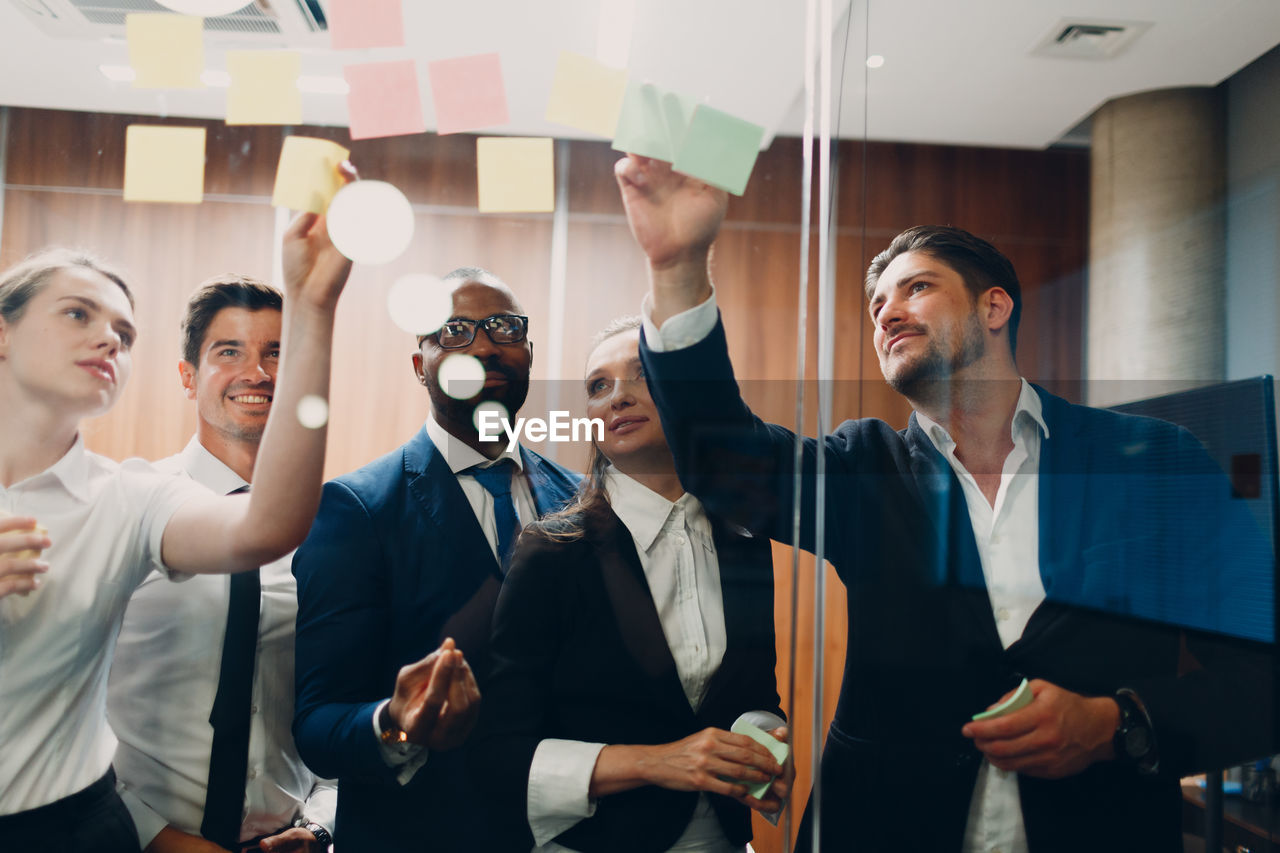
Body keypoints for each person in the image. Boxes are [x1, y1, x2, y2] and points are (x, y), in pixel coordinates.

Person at [613, 154, 1276, 852]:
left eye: (916, 288)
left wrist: (1117, 723)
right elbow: (722, 462)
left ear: (994, 306)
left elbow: (1263, 672)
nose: (887, 314)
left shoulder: (1156, 462)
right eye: (876, 308)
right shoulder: (861, 466)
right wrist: (679, 267)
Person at [0, 188, 354, 853]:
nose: (107, 336)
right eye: (78, 313)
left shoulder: (132, 496)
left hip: (78, 831)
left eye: (124, 332)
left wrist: (313, 306)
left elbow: (266, 527)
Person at [475, 316, 792, 853]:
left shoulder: (745, 539)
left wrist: (762, 743)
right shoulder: (551, 552)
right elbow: (500, 754)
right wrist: (657, 762)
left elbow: (756, 692)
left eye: (642, 375)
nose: (618, 396)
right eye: (599, 385)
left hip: (724, 839)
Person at [292, 267, 581, 851]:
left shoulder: (582, 500)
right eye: (453, 331)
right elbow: (319, 722)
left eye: (503, 327)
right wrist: (395, 723)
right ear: (420, 365)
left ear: (527, 351)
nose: (482, 345)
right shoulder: (358, 509)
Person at [107, 276, 336, 853]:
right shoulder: (126, 504)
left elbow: (337, 695)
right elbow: (71, 697)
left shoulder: (335, 525)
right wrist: (153, 836)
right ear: (189, 376)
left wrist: (318, 828)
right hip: (133, 837)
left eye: (276, 352)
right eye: (229, 351)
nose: (256, 373)